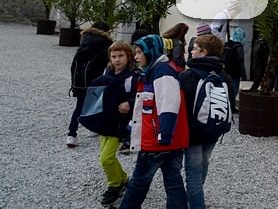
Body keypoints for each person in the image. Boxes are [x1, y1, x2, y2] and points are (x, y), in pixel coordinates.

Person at [119, 35, 189, 209]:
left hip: (158, 140)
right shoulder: (154, 71)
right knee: (173, 182)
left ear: (151, 52)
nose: (136, 57)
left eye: (139, 52)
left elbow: (169, 103)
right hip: (169, 139)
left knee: (139, 182)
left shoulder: (161, 72)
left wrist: (164, 134)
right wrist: (131, 128)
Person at [179, 34, 233, 209]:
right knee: (203, 165)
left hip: (193, 133)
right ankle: (196, 198)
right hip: (214, 129)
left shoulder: (188, 75)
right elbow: (231, 103)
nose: (191, 51)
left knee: (193, 174)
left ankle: (196, 204)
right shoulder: (224, 76)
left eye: (194, 49)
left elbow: (181, 105)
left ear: (203, 52)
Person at [88, 41, 137, 206]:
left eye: (121, 56)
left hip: (120, 124)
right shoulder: (107, 72)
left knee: (106, 159)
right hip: (105, 122)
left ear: (128, 56)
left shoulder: (132, 76)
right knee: (105, 155)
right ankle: (123, 178)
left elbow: (139, 95)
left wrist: (129, 102)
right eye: (114, 56)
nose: (117, 59)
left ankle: (115, 185)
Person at [68, 21, 113, 148]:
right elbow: (108, 62)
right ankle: (91, 128)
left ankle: (72, 134)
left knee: (80, 106)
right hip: (95, 79)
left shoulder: (85, 40)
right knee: (98, 103)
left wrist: (74, 83)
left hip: (79, 81)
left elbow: (74, 63)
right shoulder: (104, 42)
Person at [222, 26, 247, 112]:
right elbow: (241, 62)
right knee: (233, 90)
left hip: (226, 71)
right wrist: (244, 76)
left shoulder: (227, 44)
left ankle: (226, 105)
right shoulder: (239, 47)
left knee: (227, 89)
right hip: (235, 73)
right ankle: (231, 107)